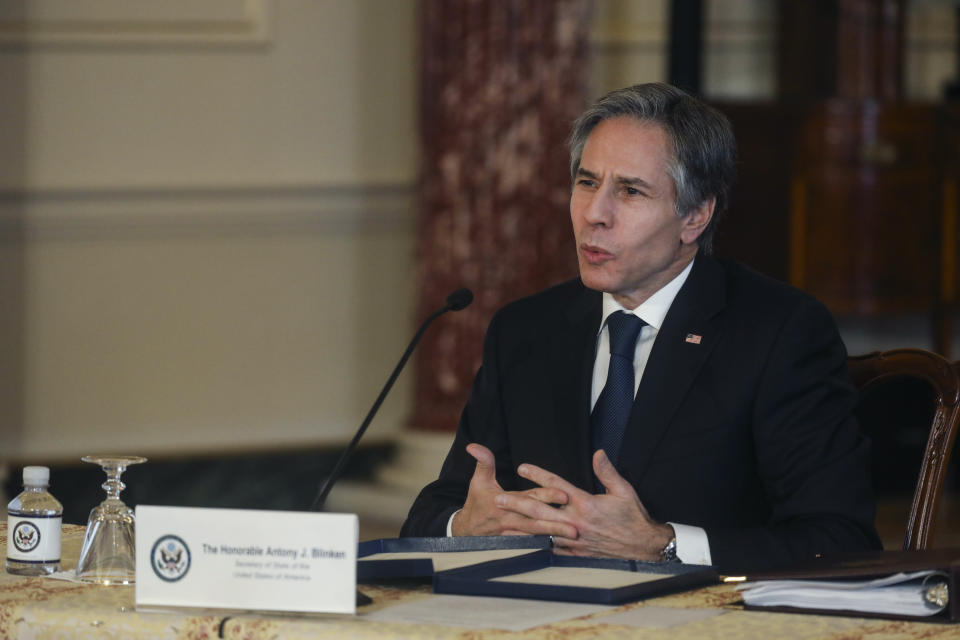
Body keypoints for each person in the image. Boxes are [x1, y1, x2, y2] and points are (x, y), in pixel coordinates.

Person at [400, 82, 881, 573]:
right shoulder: (526, 330)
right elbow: (431, 513)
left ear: (694, 216)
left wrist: (663, 544)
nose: (594, 215)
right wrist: (465, 526)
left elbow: (840, 539)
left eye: (629, 191)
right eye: (587, 183)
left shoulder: (779, 332)